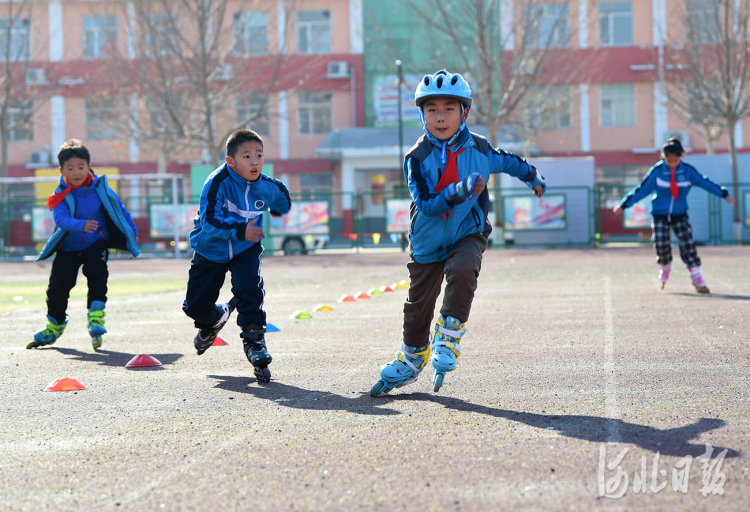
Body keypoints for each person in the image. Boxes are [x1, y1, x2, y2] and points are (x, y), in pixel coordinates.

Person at [370, 70, 546, 396]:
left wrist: (532, 177)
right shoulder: (417, 158)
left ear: (464, 112)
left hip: (469, 228)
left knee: (464, 269)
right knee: (418, 304)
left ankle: (449, 336)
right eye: (432, 109)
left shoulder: (479, 149)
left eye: (449, 108)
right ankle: (412, 358)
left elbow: (507, 163)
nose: (440, 117)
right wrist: (460, 189)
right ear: (421, 114)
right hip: (427, 238)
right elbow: (426, 204)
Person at [182, 129, 291, 383]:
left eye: (259, 155)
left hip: (246, 247)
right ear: (231, 161)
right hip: (212, 247)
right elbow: (209, 221)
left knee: (248, 286)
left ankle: (255, 340)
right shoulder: (217, 182)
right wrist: (241, 229)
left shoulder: (266, 185)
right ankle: (215, 318)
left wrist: (278, 208)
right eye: (247, 156)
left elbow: (282, 195)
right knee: (194, 307)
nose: (254, 162)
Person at [29, 139, 140, 350]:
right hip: (68, 248)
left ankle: (96, 318)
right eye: (70, 168)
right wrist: (81, 225)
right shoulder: (60, 195)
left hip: (95, 243)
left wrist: (131, 233)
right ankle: (54, 325)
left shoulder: (100, 189)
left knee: (98, 276)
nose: (76, 172)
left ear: (89, 167)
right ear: (61, 171)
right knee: (57, 289)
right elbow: (60, 219)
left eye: (81, 167)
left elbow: (119, 210)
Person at [613, 137, 735, 293]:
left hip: (679, 213)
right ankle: (664, 269)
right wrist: (624, 204)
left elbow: (706, 183)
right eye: (669, 161)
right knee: (661, 243)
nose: (672, 164)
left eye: (675, 160)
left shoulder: (688, 171)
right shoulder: (657, 172)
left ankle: (697, 278)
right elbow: (641, 190)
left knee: (688, 244)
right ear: (663, 158)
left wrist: (724, 194)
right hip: (660, 214)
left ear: (680, 158)